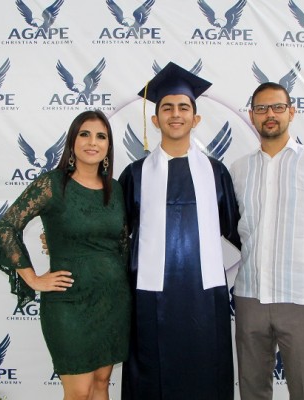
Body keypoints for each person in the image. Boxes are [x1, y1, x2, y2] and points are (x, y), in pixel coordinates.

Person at [0, 110, 131, 400]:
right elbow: (6, 228)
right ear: (72, 142)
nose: (93, 142)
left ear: (108, 147)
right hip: (68, 302)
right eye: (84, 134)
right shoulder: (51, 184)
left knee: (102, 383)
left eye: (101, 136)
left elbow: (121, 243)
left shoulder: (115, 189)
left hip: (112, 300)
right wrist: (32, 278)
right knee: (78, 392)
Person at [118, 62, 241, 400]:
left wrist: (216, 276)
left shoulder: (216, 173)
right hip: (149, 298)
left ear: (195, 119)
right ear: (155, 120)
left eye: (183, 107)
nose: (175, 114)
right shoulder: (135, 175)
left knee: (206, 374)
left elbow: (231, 236)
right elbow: (118, 236)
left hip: (205, 297)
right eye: (167, 108)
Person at [229, 82, 304, 400]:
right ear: (252, 116)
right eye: (261, 108)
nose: (270, 115)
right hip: (250, 296)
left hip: (302, 300)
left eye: (277, 107)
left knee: (303, 390)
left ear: (291, 112)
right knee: (253, 389)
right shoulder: (239, 170)